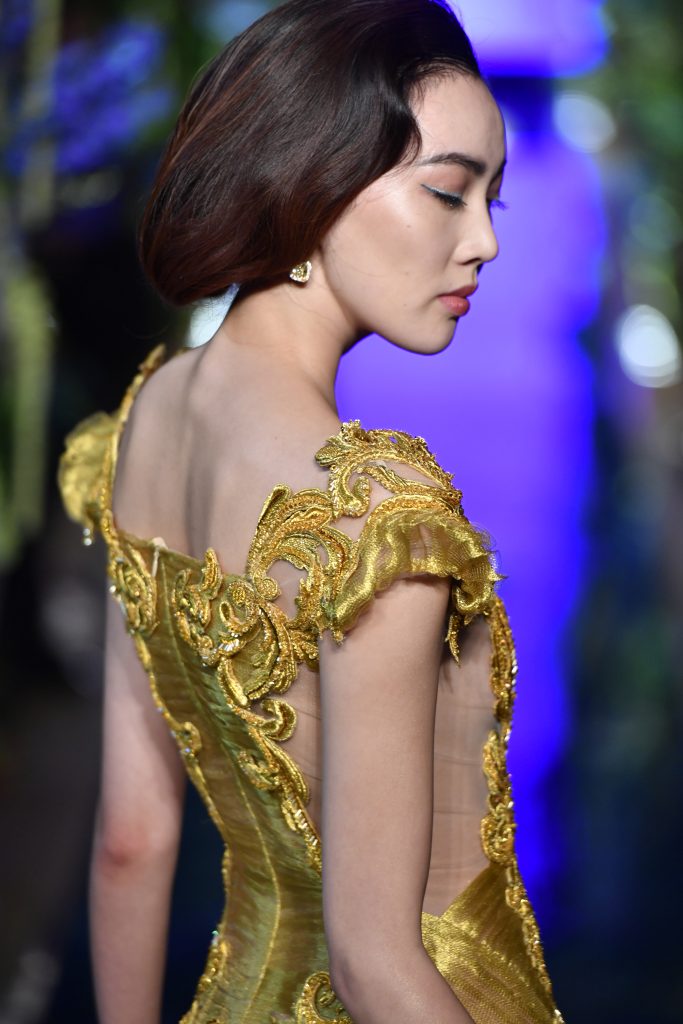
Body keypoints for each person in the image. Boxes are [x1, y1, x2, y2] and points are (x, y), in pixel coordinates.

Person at [58, 1, 565, 1021]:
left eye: (492, 199)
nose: (483, 242)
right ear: (312, 181)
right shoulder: (375, 518)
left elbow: (131, 838)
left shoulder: (145, 420)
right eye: (446, 193)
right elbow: (373, 963)